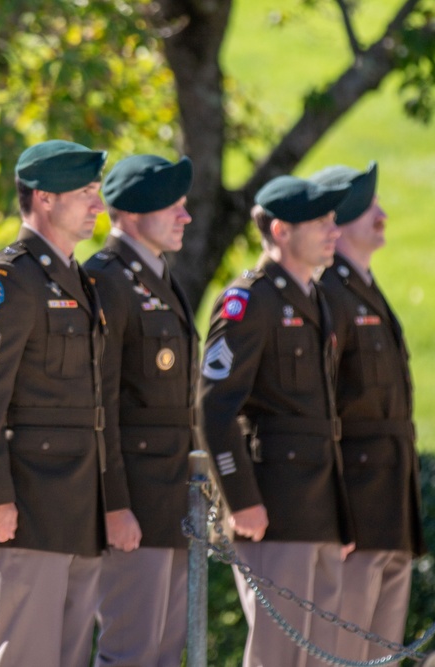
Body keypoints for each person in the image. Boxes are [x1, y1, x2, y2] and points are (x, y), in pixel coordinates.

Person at [0, 139, 108, 667]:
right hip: (26, 507)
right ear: (43, 198)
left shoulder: (75, 280)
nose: (98, 204)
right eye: (85, 192)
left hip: (78, 509)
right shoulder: (7, 282)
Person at [196, 175, 355, 667]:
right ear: (282, 230)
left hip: (320, 509)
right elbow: (215, 406)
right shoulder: (250, 300)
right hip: (274, 510)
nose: (335, 231)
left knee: (319, 657)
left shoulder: (316, 298)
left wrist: (341, 515)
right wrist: (241, 501)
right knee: (278, 657)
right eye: (321, 222)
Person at [82, 154, 197, 667]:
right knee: (131, 652)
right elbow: (99, 402)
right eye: (171, 205)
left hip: (169, 499)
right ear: (127, 215)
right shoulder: (107, 279)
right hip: (134, 503)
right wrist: (114, 504)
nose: (186, 216)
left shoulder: (159, 278)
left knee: (165, 652)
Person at [310, 162, 428, 661]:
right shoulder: (328, 294)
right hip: (354, 508)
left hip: (388, 504)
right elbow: (317, 409)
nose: (381, 215)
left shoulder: (364, 288)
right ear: (335, 221)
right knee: (343, 651)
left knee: (378, 652)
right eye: (367, 207)